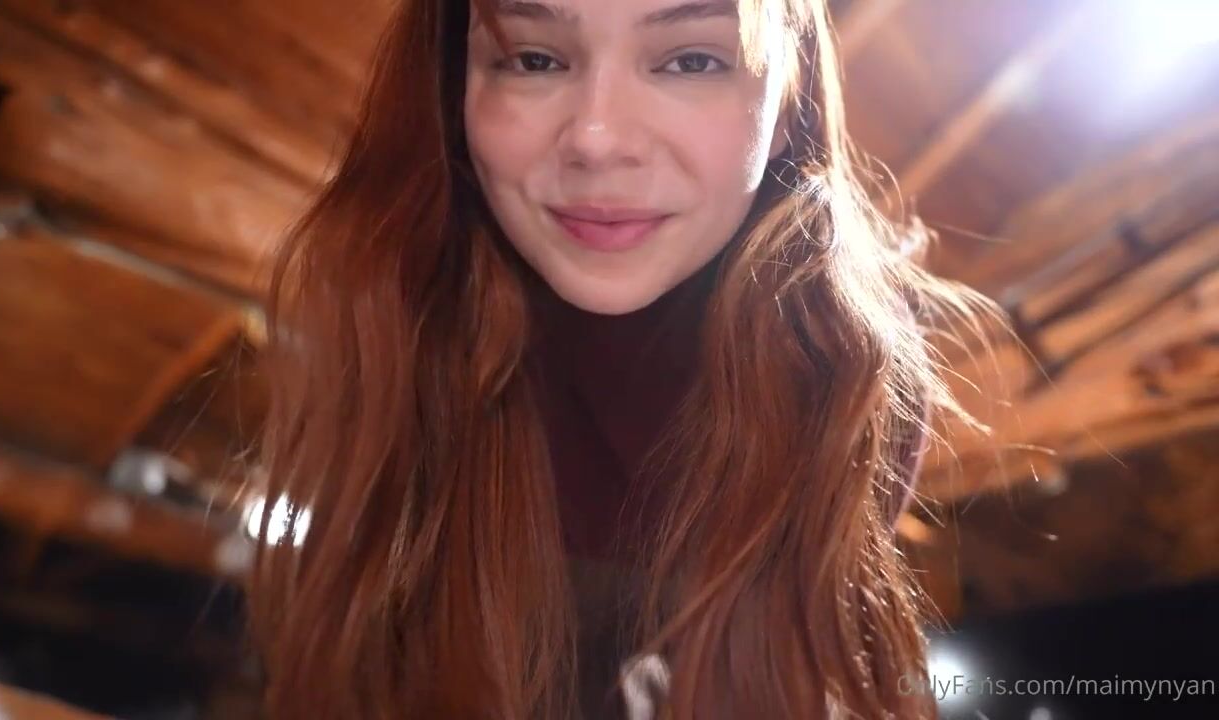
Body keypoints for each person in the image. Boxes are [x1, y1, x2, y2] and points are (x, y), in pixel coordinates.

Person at [247, 0, 992, 717]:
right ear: (451, 89)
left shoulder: (844, 376)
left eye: (691, 60)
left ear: (789, 102)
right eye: (533, 59)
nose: (597, 139)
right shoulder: (390, 328)